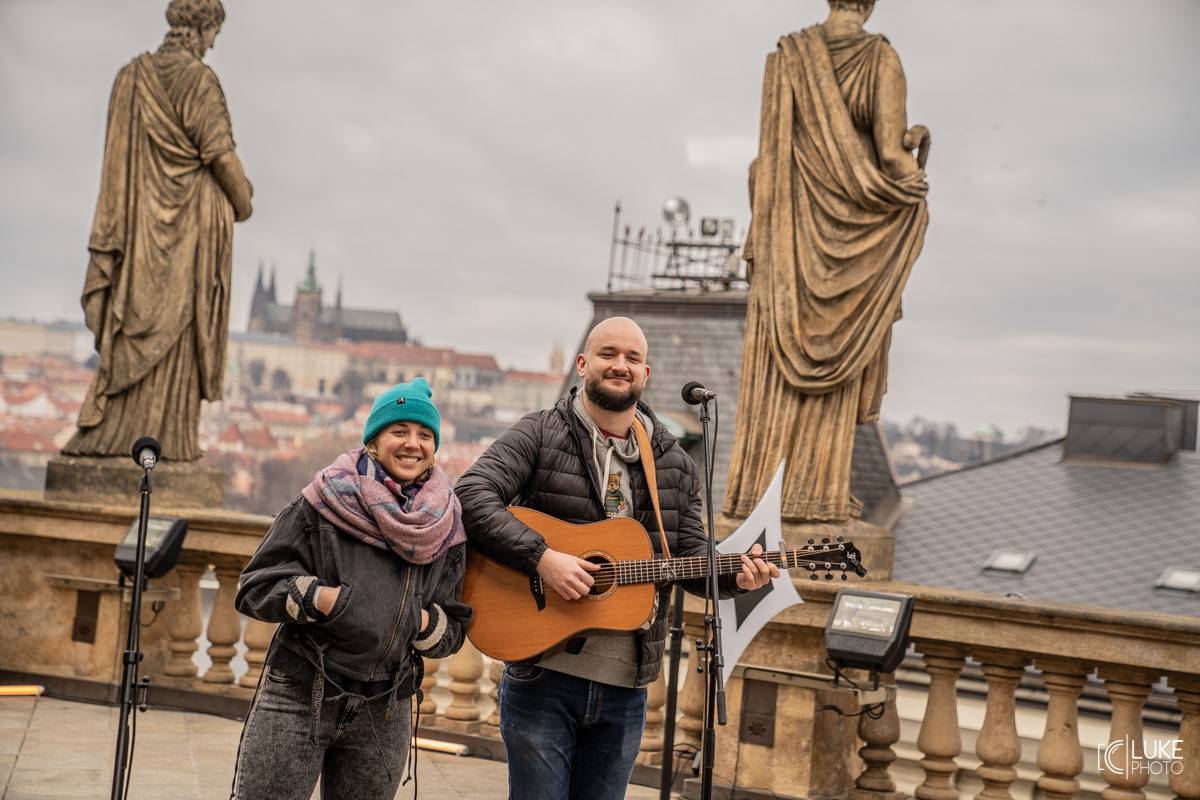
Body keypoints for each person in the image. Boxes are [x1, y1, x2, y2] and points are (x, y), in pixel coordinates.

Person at [456, 317, 778, 800]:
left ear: (646, 374)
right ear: (583, 365)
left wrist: (735, 579)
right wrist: (543, 558)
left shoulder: (675, 463)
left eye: (631, 358)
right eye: (608, 354)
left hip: (627, 687)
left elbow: (687, 555)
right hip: (543, 675)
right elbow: (470, 495)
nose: (619, 366)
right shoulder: (541, 433)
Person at [723, 0, 930, 523]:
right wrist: (916, 158)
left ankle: (758, 494)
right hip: (847, 248)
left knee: (777, 371)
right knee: (833, 366)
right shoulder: (880, 58)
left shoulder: (785, 59)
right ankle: (814, 496)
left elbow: (767, 161)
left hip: (785, 246)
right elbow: (890, 156)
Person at [232, 377, 471, 800]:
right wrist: (327, 601)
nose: (412, 443)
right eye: (399, 431)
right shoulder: (322, 499)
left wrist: (414, 621)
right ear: (374, 441)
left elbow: (452, 629)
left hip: (386, 707)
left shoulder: (447, 524)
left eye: (424, 434)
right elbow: (254, 586)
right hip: (300, 693)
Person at [64, 0, 254, 461]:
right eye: (214, 34)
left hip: (136, 240)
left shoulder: (131, 77)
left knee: (132, 326)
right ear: (205, 27)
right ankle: (166, 442)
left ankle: (113, 433)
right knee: (176, 344)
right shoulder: (198, 80)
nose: (212, 44)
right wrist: (244, 198)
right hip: (187, 240)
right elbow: (222, 160)